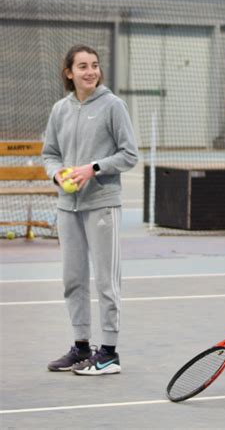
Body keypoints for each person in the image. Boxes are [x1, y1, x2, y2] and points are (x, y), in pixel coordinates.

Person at [42, 44, 139, 375]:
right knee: (73, 278)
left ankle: (109, 352)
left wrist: (92, 168)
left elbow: (129, 154)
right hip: (67, 207)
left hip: (102, 204)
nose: (90, 72)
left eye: (94, 65)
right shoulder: (60, 109)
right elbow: (49, 153)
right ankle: (81, 348)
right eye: (82, 66)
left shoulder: (113, 106)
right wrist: (57, 174)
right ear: (69, 72)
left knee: (106, 281)